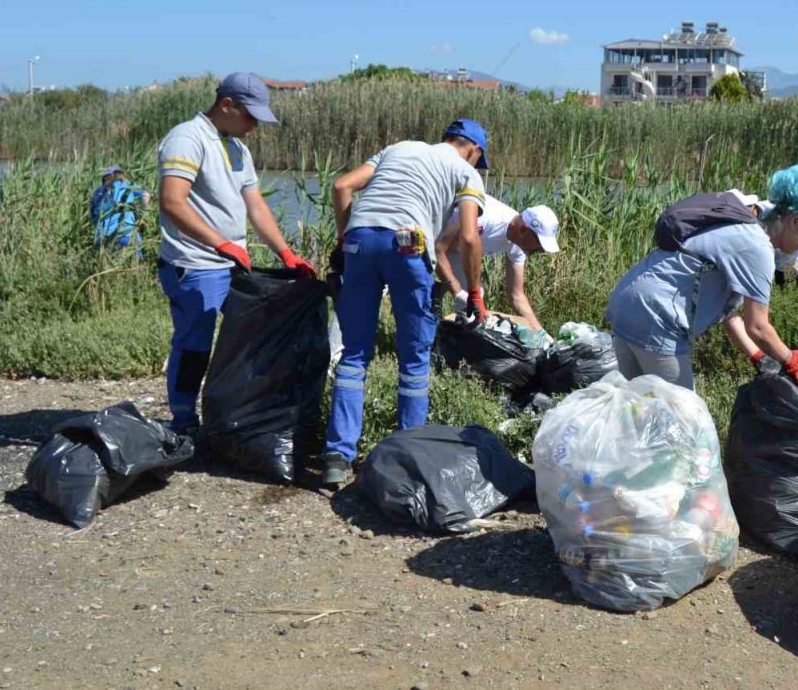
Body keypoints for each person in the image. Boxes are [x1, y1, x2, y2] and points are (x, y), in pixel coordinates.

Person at [321, 119, 490, 487]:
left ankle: (337, 457)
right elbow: (468, 237)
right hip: (407, 245)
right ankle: (406, 456)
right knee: (413, 357)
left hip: (360, 239)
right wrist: (473, 291)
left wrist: (344, 239)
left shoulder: (398, 147)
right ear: (474, 151)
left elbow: (342, 186)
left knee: (353, 353)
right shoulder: (465, 172)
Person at [156, 73, 316, 434]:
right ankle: (183, 421)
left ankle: (230, 415)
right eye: (251, 116)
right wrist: (220, 243)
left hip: (232, 266)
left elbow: (255, 206)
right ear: (226, 105)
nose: (255, 126)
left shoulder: (236, 147)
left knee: (244, 341)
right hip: (194, 263)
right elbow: (172, 202)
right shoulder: (187, 138)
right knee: (194, 345)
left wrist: (285, 253)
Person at [605, 165, 798, 391]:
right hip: (656, 319)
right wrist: (791, 360)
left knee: (638, 406)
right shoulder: (757, 247)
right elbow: (758, 327)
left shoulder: (745, 221)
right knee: (682, 422)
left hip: (628, 302)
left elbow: (728, 312)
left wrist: (757, 357)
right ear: (795, 220)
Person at [433, 195, 561, 332]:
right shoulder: (485, 217)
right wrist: (458, 293)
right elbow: (437, 250)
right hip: (429, 238)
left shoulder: (519, 244)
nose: (540, 251)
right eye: (540, 244)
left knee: (474, 304)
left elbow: (516, 295)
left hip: (455, 251)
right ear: (524, 229)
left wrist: (541, 333)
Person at [90, 165, 150, 252]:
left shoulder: (97, 192)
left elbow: (93, 217)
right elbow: (146, 195)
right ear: (120, 175)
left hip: (103, 237)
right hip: (126, 234)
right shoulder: (127, 185)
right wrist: (140, 215)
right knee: (134, 260)